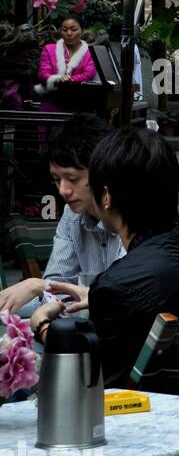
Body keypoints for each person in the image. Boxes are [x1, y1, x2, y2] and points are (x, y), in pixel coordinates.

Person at [27, 128, 179, 389]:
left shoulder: (115, 287)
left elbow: (92, 380)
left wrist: (42, 325)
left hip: (147, 414)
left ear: (106, 197)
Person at [0, 114, 125, 318]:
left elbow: (122, 297)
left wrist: (38, 286)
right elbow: (54, 291)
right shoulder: (72, 215)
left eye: (72, 179)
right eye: (57, 180)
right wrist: (35, 289)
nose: (63, 190)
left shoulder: (131, 218)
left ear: (102, 172)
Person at [36, 15, 98, 110]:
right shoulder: (49, 49)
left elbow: (89, 74)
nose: (69, 33)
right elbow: (43, 73)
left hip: (80, 101)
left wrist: (69, 79)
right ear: (60, 31)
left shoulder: (90, 52)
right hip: (52, 100)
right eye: (64, 30)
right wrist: (57, 79)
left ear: (82, 30)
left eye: (74, 30)